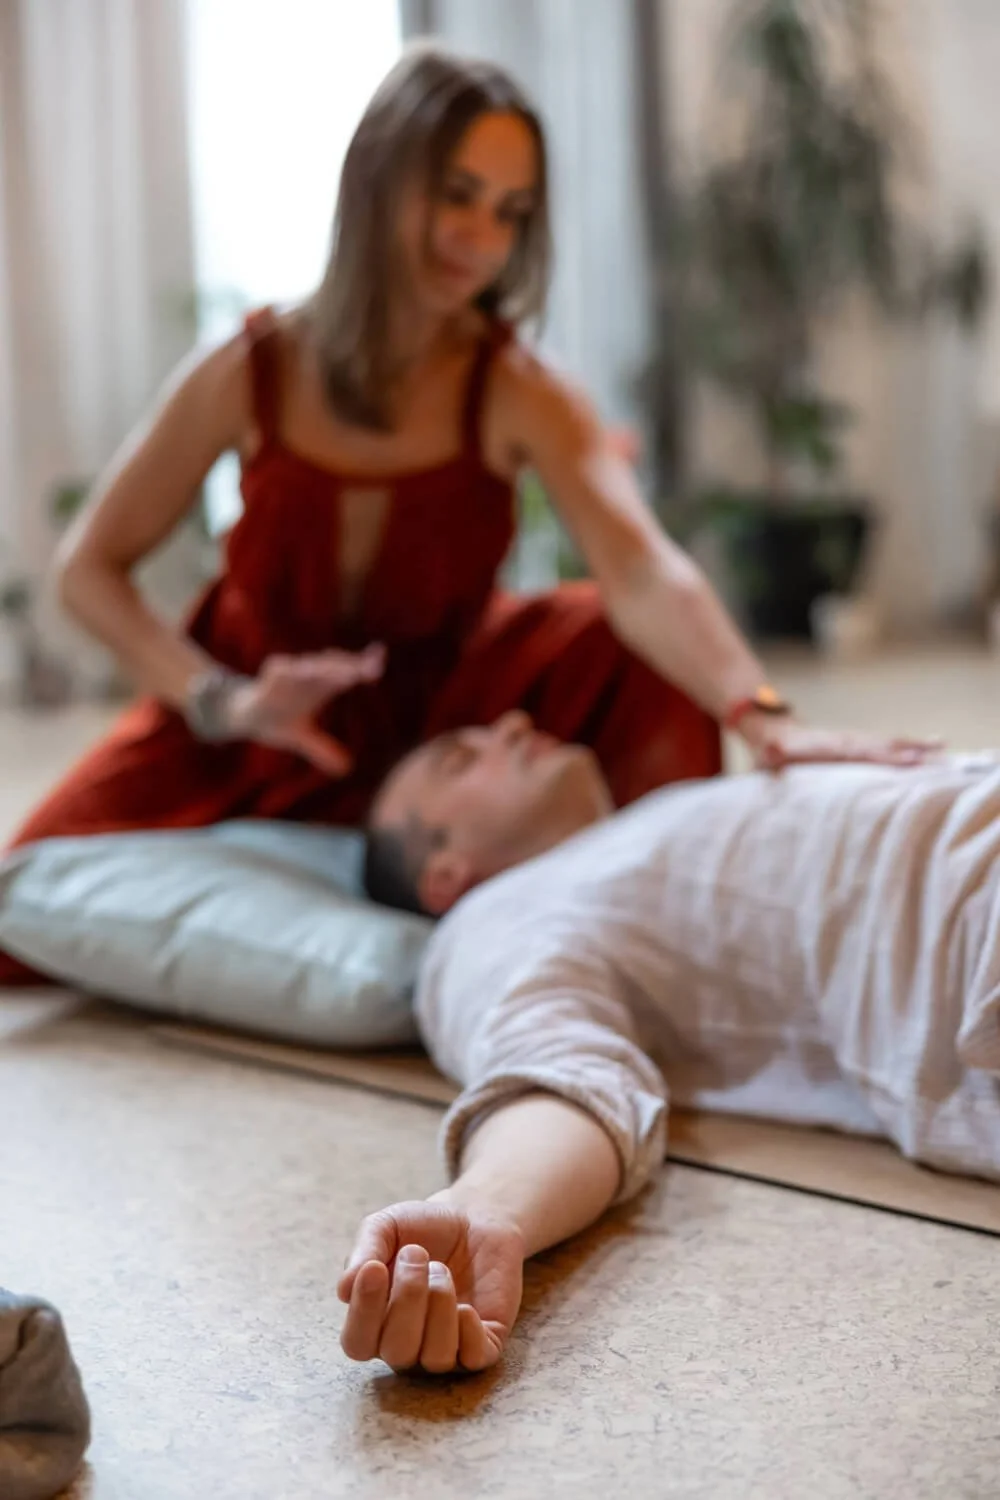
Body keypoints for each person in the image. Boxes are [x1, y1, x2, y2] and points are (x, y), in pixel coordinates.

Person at [0, 42, 934, 986]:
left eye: (510, 212)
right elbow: (88, 567)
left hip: (449, 714)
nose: (482, 238)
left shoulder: (519, 387)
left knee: (614, 632)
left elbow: (643, 567)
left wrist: (760, 713)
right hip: (257, 718)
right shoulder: (248, 370)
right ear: (377, 179)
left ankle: (652, 915)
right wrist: (223, 701)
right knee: (18, 907)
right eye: (456, 195)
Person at [337, 714, 1000, 1375]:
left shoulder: (637, 824)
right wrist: (485, 1206)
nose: (510, 723)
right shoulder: (489, 926)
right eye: (460, 760)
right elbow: (558, 1073)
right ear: (445, 874)